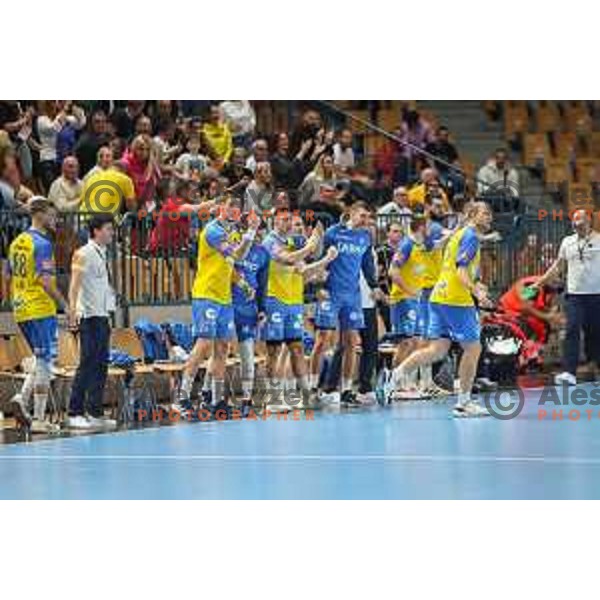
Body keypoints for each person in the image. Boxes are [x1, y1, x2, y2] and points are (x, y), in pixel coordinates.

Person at [384, 201, 494, 417]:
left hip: (438, 296)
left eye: (490, 214)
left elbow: (458, 269)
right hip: (456, 299)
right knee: (473, 348)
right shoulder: (470, 237)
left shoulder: (458, 234)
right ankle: (464, 403)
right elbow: (461, 271)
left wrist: (476, 284)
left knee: (437, 350)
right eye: (485, 213)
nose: (490, 217)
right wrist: (478, 293)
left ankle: (395, 376)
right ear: (472, 214)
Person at [183, 197, 259, 415]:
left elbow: (235, 260)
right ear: (220, 209)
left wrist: (243, 284)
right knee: (204, 343)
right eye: (230, 206)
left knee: (222, 348)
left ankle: (216, 401)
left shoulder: (232, 233)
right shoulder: (212, 230)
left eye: (238, 208)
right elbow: (235, 253)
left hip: (225, 298)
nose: (234, 210)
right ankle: (182, 397)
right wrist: (251, 232)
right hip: (206, 295)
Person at [311, 202, 382, 404]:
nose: (365, 220)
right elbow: (321, 260)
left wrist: (374, 285)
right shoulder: (333, 233)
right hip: (331, 292)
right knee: (322, 339)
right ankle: (313, 388)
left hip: (352, 295)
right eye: (362, 215)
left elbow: (367, 263)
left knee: (351, 341)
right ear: (350, 213)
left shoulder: (365, 236)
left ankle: (347, 391)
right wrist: (319, 287)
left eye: (368, 216)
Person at [8, 198, 68, 433]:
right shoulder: (42, 243)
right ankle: (40, 419)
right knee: (45, 363)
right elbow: (45, 281)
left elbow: (7, 276)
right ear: (40, 214)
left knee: (40, 358)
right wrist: (65, 304)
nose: (55, 220)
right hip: (40, 308)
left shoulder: (16, 242)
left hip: (21, 307)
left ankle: (22, 398)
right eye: (52, 215)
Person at [262, 214, 333, 408]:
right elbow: (286, 259)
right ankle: (273, 397)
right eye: (286, 221)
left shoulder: (295, 245)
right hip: (275, 300)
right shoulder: (270, 241)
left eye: (294, 222)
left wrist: (326, 259)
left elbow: (304, 272)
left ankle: (305, 396)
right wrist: (311, 246)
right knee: (274, 350)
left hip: (294, 302)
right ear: (276, 223)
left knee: (297, 349)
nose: (293, 226)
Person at [533, 209, 600, 385]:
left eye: (580, 219)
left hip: (596, 294)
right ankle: (569, 372)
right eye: (574, 219)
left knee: (595, 332)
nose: (576, 223)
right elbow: (557, 267)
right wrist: (539, 283)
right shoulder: (567, 242)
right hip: (575, 295)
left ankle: (595, 365)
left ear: (589, 221)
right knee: (571, 330)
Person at [66, 214, 118, 429]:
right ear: (96, 231)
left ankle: (95, 412)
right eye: (108, 229)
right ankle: (74, 412)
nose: (112, 233)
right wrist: (73, 313)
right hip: (88, 317)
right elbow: (74, 287)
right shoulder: (83, 253)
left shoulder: (102, 253)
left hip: (102, 315)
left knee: (101, 365)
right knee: (87, 364)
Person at [74, 109, 110, 175]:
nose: (101, 125)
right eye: (97, 122)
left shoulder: (107, 138)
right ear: (91, 124)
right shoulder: (85, 142)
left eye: (103, 121)